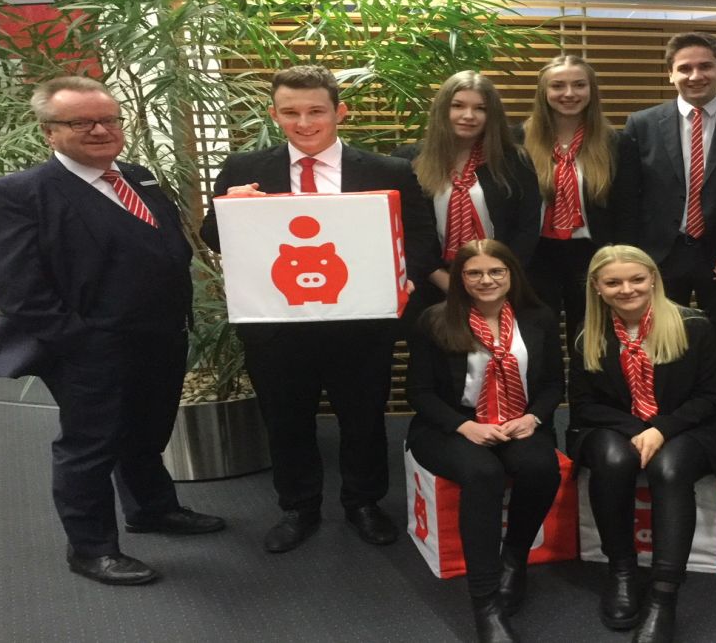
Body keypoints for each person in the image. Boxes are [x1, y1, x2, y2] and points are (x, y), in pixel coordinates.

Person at [0, 76, 224, 585]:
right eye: (81, 122)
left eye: (109, 119)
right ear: (49, 132)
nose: (99, 130)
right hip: (87, 346)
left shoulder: (137, 177)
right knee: (90, 445)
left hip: (160, 336)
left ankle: (152, 509)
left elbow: (165, 250)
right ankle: (90, 549)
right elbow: (16, 285)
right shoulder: (17, 194)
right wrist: (79, 341)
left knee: (145, 433)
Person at [199, 65, 437, 553]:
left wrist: (402, 278)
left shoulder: (387, 170)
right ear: (274, 114)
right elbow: (211, 237)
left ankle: (364, 503)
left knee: (364, 416)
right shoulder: (245, 168)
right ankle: (298, 507)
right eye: (290, 112)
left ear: (339, 112)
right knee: (286, 418)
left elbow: (421, 239)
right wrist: (229, 207)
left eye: (316, 111)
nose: (304, 123)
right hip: (275, 325)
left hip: (360, 323)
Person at [568, 244, 716, 643]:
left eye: (637, 279)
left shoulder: (694, 325)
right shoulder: (586, 333)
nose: (626, 289)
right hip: (615, 424)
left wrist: (662, 428)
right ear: (597, 287)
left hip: (686, 426)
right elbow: (583, 405)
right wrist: (636, 427)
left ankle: (664, 595)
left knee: (669, 468)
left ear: (653, 280)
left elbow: (711, 397)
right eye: (613, 282)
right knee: (613, 460)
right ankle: (623, 572)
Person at [406, 239, 562, 643]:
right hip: (450, 425)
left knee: (540, 467)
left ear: (512, 275)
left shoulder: (539, 317)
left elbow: (552, 385)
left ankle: (514, 558)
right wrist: (465, 428)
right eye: (473, 272)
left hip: (518, 421)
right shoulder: (434, 320)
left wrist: (534, 418)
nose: (486, 280)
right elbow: (419, 393)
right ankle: (486, 603)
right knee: (483, 473)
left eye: (496, 271)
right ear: (460, 279)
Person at [621, 32, 716, 432]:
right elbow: (629, 197)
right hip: (659, 260)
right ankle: (663, 430)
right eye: (684, 68)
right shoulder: (642, 123)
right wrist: (637, 259)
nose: (695, 75)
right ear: (670, 74)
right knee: (658, 350)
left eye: (705, 65)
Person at [393, 70, 543, 323]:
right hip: (431, 285)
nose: (469, 116)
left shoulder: (515, 161)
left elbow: (527, 226)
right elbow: (407, 231)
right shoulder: (408, 161)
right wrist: (443, 279)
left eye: (480, 108)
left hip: (499, 283)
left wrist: (497, 276)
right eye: (458, 106)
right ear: (442, 110)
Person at [519, 55, 640, 348]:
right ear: (544, 93)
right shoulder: (519, 139)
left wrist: (622, 258)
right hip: (536, 254)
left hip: (594, 253)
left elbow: (628, 209)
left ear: (591, 91)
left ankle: (586, 394)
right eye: (558, 86)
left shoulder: (615, 143)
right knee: (537, 335)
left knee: (591, 336)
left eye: (579, 85)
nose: (569, 94)